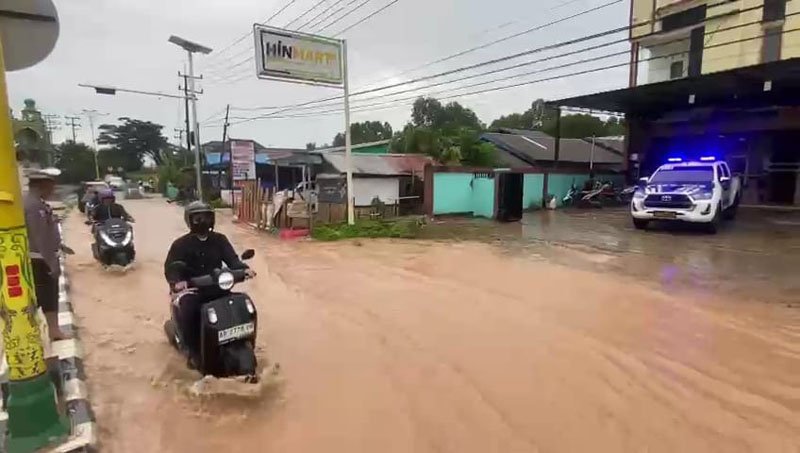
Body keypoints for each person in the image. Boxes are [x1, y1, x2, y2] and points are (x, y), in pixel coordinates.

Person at [163, 202, 255, 365]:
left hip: (218, 288)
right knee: (188, 309)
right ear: (189, 220)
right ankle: (192, 352)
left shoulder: (219, 240)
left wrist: (245, 270)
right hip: (193, 290)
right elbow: (171, 267)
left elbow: (233, 260)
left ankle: (243, 341)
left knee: (244, 304)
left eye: (206, 217)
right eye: (198, 218)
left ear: (212, 219)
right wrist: (178, 281)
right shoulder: (180, 244)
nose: (202, 221)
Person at [24, 170, 74, 341]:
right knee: (46, 297)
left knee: (48, 296)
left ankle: (51, 331)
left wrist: (60, 246)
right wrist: (51, 262)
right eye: (51, 184)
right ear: (41, 185)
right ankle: (51, 331)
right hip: (39, 259)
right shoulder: (34, 206)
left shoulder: (37, 203)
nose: (54, 188)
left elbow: (47, 232)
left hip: (40, 257)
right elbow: (40, 237)